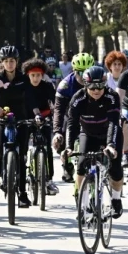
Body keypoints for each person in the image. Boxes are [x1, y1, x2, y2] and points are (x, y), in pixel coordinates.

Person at [63, 66, 124, 219]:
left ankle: (116, 199)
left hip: (109, 134)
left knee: (115, 169)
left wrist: (111, 145)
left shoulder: (112, 97)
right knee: (81, 164)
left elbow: (113, 123)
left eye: (100, 86)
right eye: (91, 86)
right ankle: (82, 206)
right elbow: (72, 124)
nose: (96, 90)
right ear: (85, 84)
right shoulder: (78, 98)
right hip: (88, 133)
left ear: (105, 84)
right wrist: (69, 147)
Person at [0, 46, 42, 209]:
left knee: (21, 157)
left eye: (12, 61)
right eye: (6, 61)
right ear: (2, 62)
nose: (9, 64)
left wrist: (36, 114)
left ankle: (22, 193)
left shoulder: (23, 78)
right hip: (1, 118)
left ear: (17, 62)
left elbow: (31, 98)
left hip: (21, 118)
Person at [52, 52, 95, 182]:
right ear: (74, 71)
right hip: (69, 116)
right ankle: (67, 165)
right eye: (80, 73)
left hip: (90, 115)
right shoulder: (65, 85)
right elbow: (58, 110)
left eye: (87, 72)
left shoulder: (97, 83)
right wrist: (57, 132)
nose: (83, 77)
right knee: (61, 140)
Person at [21, 58, 59, 196]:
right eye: (33, 75)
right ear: (28, 75)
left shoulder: (47, 86)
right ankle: (22, 171)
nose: (36, 78)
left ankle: (49, 180)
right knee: (24, 143)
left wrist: (55, 114)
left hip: (44, 117)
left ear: (42, 75)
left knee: (47, 147)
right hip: (28, 117)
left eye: (38, 75)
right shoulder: (24, 86)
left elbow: (55, 102)